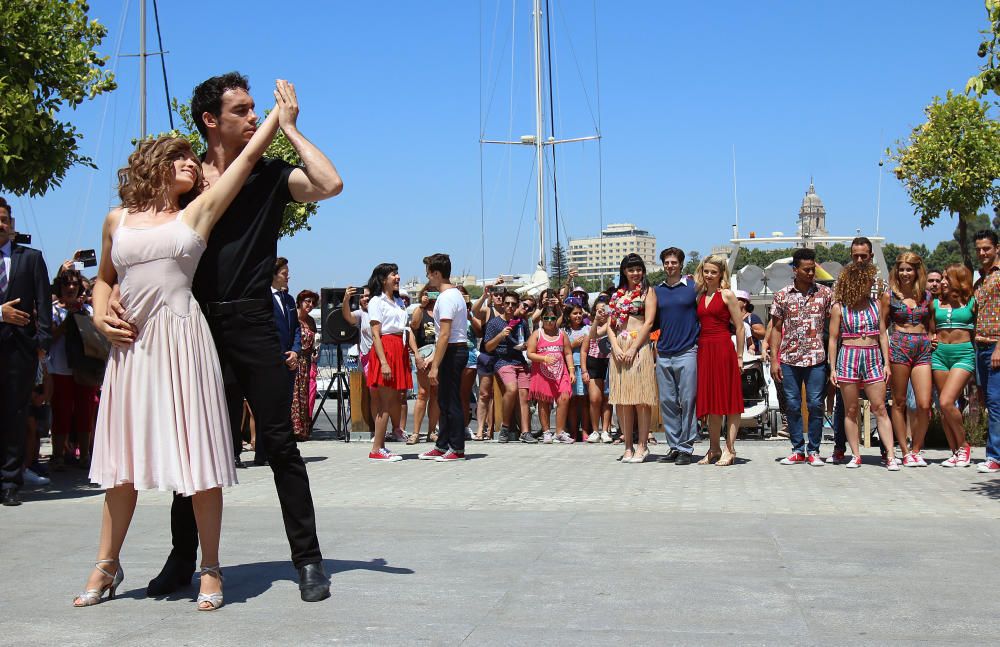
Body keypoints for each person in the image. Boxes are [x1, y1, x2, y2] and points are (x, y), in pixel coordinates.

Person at [115, 74, 342, 603]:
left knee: (281, 444)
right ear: (210, 120)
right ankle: (181, 561)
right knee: (191, 448)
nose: (252, 116)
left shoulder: (268, 175)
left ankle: (308, 561)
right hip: (191, 325)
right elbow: (127, 239)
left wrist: (289, 129)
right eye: (242, 110)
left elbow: (330, 184)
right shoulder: (183, 180)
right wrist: (106, 301)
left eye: (255, 110)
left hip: (253, 324)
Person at [76, 90, 283, 608]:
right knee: (122, 465)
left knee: (198, 458)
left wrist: (279, 116)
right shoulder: (115, 220)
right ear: (154, 164)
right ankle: (106, 565)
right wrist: (101, 314)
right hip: (131, 351)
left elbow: (252, 156)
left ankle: (210, 569)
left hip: (184, 343)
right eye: (181, 157)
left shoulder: (196, 215)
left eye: (195, 157)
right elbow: (103, 280)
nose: (193, 163)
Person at [0, 197, 52, 506]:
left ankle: (10, 482)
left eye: (5, 219)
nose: (1, 224)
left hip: (20, 350)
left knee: (15, 415)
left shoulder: (30, 259)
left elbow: (44, 302)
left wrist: (42, 344)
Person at [827, 262, 895, 469]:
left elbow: (883, 334)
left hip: (873, 355)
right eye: (866, 281)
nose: (871, 284)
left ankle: (891, 455)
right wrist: (833, 368)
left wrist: (887, 363)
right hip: (848, 355)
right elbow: (832, 338)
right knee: (851, 409)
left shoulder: (876, 305)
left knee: (880, 407)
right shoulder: (839, 307)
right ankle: (856, 455)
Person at [770, 248, 833, 466]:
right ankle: (797, 449)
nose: (810, 273)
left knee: (816, 404)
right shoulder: (782, 295)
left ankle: (814, 449)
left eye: (812, 269)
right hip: (789, 359)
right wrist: (774, 360)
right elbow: (776, 329)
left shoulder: (825, 294)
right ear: (795, 270)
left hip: (816, 358)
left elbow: (833, 327)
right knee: (793, 405)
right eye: (805, 270)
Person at [693, 255, 744, 466]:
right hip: (704, 349)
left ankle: (729, 449)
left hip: (723, 348)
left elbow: (739, 327)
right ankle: (713, 448)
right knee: (712, 402)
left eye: (714, 272)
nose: (709, 275)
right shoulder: (700, 296)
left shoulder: (727, 295)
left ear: (721, 273)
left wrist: (740, 356)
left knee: (729, 401)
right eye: (706, 271)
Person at [418, 254, 469, 461]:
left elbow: (445, 334)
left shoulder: (447, 298)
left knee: (451, 401)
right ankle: (442, 445)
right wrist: (434, 359)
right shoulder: (453, 294)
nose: (428, 277)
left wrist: (435, 366)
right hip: (452, 350)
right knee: (443, 400)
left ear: (437, 273)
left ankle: (457, 448)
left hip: (453, 351)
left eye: (429, 273)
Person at [607, 253, 658, 463]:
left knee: (641, 400)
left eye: (638, 269)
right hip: (619, 347)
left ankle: (642, 445)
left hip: (639, 346)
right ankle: (627, 446)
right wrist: (616, 347)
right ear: (624, 272)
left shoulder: (648, 292)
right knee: (623, 400)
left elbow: (649, 323)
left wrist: (633, 348)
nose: (635, 273)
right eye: (631, 270)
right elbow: (610, 326)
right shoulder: (617, 295)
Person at [884, 252, 933, 467]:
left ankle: (917, 449)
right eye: (902, 269)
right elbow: (881, 328)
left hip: (922, 346)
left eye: (909, 269)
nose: (905, 273)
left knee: (923, 403)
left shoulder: (927, 296)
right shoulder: (890, 296)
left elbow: (932, 325)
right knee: (900, 401)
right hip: (899, 344)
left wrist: (934, 337)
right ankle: (904, 450)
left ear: (916, 271)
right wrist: (884, 357)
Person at [652, 247, 700, 465]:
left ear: (681, 264)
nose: (670, 266)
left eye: (674, 262)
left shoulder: (693, 287)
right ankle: (674, 445)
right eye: (666, 262)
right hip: (664, 352)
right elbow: (652, 322)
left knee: (688, 400)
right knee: (668, 401)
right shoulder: (656, 291)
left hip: (687, 350)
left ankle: (686, 447)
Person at [48, 268, 98, 471]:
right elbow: (51, 337)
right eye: (66, 284)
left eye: (75, 285)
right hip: (60, 368)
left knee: (85, 412)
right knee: (61, 412)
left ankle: (85, 456)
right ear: (59, 287)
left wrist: (82, 312)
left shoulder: (89, 310)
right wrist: (70, 316)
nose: (70, 288)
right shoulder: (52, 310)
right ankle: (58, 455)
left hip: (84, 370)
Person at [365, 263, 411, 462]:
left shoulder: (399, 301)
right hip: (386, 348)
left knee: (393, 400)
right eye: (394, 274)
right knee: (385, 402)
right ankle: (377, 447)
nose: (398, 277)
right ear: (384, 279)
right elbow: (376, 334)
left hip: (399, 348)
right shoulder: (376, 301)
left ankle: (381, 446)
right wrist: (383, 362)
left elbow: (406, 329)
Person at [932, 264, 976, 468]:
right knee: (944, 407)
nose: (942, 282)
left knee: (947, 401)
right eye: (942, 278)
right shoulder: (935, 304)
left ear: (958, 279)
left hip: (963, 354)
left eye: (946, 278)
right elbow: (930, 329)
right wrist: (930, 337)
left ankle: (964, 446)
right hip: (939, 355)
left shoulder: (972, 302)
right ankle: (955, 452)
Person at [264, 257, 301, 465]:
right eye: (284, 273)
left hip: (291, 360)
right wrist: (282, 354)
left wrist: (295, 351)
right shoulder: (264, 299)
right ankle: (264, 451)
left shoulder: (289, 299)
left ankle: (282, 451)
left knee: (285, 407)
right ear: (274, 275)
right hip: (274, 360)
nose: (288, 277)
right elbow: (267, 331)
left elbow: (295, 328)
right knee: (271, 407)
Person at [484, 293, 534, 443]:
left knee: (524, 396)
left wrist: (525, 345)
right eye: (507, 303)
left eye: (513, 304)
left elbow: (527, 342)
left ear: (517, 305)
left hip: (519, 360)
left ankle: (525, 431)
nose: (510, 306)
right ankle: (505, 427)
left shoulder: (522, 323)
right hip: (502, 361)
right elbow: (488, 347)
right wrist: (500, 336)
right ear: (503, 305)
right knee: (512, 389)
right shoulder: (494, 323)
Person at [527, 305, 576, 443]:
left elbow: (567, 352)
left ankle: (560, 432)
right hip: (542, 374)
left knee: (564, 398)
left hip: (561, 373)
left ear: (556, 319)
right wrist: (544, 358)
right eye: (546, 318)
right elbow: (530, 353)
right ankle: (547, 431)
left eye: (552, 318)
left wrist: (571, 370)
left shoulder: (562, 334)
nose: (549, 321)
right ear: (542, 319)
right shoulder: (537, 334)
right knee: (543, 402)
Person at [974, 230, 1000, 473]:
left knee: (995, 403)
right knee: (987, 402)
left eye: (987, 249)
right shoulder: (981, 280)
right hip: (979, 346)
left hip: (995, 346)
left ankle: (995, 456)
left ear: (997, 248)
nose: (982, 253)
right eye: (979, 249)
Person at [408, 285, 440, 443]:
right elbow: (412, 331)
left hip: (439, 355)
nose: (431, 296)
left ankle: (432, 431)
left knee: (435, 394)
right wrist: (416, 355)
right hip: (424, 353)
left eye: (434, 293)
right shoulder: (419, 311)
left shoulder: (442, 311)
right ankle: (415, 432)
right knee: (422, 393)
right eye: (428, 293)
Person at [583, 298, 613, 443]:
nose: (602, 312)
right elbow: (591, 339)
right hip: (593, 362)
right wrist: (584, 370)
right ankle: (595, 430)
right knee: (595, 399)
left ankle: (605, 430)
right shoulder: (589, 327)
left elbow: (606, 330)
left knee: (607, 399)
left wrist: (609, 318)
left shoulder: (612, 324)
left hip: (609, 362)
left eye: (604, 309)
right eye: (599, 309)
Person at [291, 289, 319, 441]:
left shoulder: (311, 321)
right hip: (294, 360)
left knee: (304, 395)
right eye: (307, 301)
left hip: (307, 362)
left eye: (313, 303)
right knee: (293, 395)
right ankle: (292, 429)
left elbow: (312, 343)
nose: (310, 305)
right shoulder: (292, 317)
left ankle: (302, 430)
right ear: (300, 301)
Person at [563, 303, 591, 440]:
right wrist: (572, 345)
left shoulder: (587, 329)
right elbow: (560, 349)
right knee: (572, 401)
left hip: (583, 368)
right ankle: (573, 431)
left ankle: (585, 430)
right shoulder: (564, 331)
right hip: (569, 368)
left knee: (584, 400)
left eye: (580, 313)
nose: (578, 316)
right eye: (575, 313)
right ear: (569, 316)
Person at [736, 290, 766, 354]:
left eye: (737, 299)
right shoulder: (731, 318)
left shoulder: (752, 318)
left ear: (744, 303)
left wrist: (750, 331)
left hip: (750, 355)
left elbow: (763, 335)